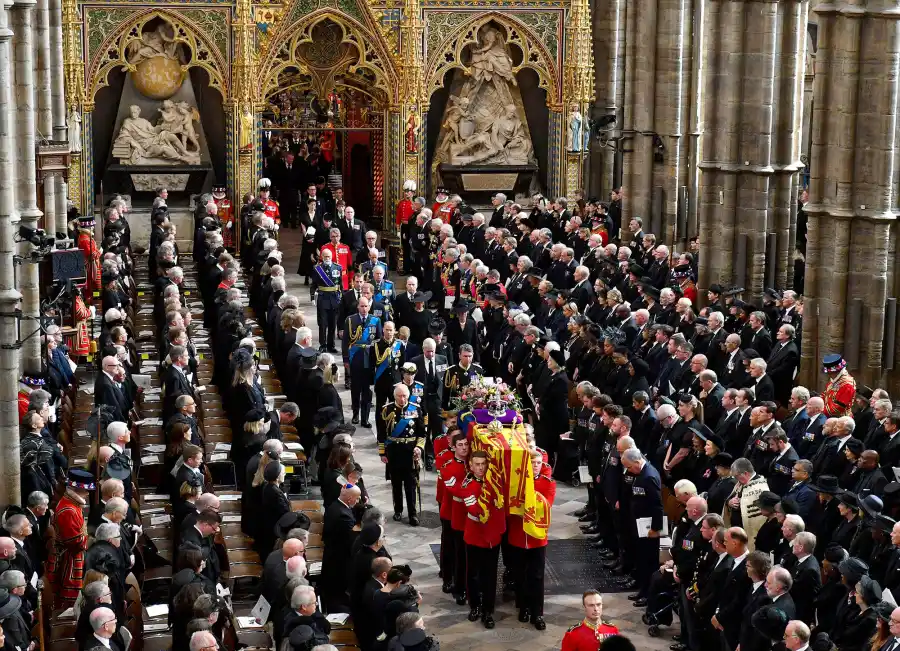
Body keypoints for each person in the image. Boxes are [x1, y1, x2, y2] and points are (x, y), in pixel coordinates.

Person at [459, 450, 505, 628]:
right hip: (474, 535)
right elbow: (474, 509)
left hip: (491, 536)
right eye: (476, 464)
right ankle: (475, 606)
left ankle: (488, 610)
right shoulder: (467, 484)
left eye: (483, 464)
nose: (480, 468)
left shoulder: (494, 483)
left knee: (490, 575)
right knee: (473, 574)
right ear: (470, 465)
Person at [379, 384, 426, 526]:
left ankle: (413, 513)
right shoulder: (386, 410)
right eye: (399, 396)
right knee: (396, 484)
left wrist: (419, 448)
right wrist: (382, 452)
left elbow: (421, 433)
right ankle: (398, 509)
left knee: (411, 485)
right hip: (394, 452)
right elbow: (381, 433)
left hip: (410, 454)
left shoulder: (415, 409)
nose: (402, 399)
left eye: (404, 395)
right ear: (394, 396)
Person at [342, 296, 382, 426]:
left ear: (369, 307)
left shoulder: (375, 321)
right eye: (362, 306)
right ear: (358, 306)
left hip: (369, 359)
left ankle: (365, 418)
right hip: (355, 358)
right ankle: (355, 414)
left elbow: (379, 340)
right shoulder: (350, 320)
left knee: (367, 390)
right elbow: (345, 342)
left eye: (366, 306)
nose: (364, 309)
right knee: (355, 388)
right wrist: (346, 359)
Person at [311, 248, 344, 353]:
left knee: (332, 324)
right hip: (323, 298)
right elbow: (313, 285)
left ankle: (331, 345)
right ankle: (323, 345)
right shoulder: (317, 269)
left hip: (334, 299)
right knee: (323, 324)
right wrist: (312, 297)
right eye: (325, 256)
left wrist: (342, 297)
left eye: (329, 256)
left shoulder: (338, 267)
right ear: (322, 257)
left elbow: (341, 284)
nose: (327, 258)